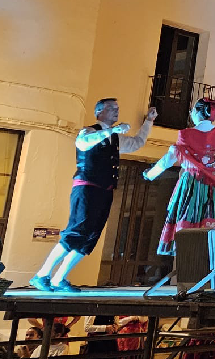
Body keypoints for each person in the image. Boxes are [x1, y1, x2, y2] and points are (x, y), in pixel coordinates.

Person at [29, 99, 157, 293]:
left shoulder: (116, 137)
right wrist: (111, 131)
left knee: (90, 237)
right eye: (112, 108)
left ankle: (58, 278)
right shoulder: (88, 132)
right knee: (76, 232)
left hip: (105, 191)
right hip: (86, 188)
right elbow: (84, 143)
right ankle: (42, 274)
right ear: (99, 112)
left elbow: (136, 144)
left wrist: (148, 122)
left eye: (118, 108)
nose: (116, 111)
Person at [144, 99, 215, 284]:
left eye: (193, 110)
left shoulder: (186, 135)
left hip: (192, 186)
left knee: (189, 230)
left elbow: (170, 157)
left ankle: (191, 280)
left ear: (198, 113)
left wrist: (150, 174)